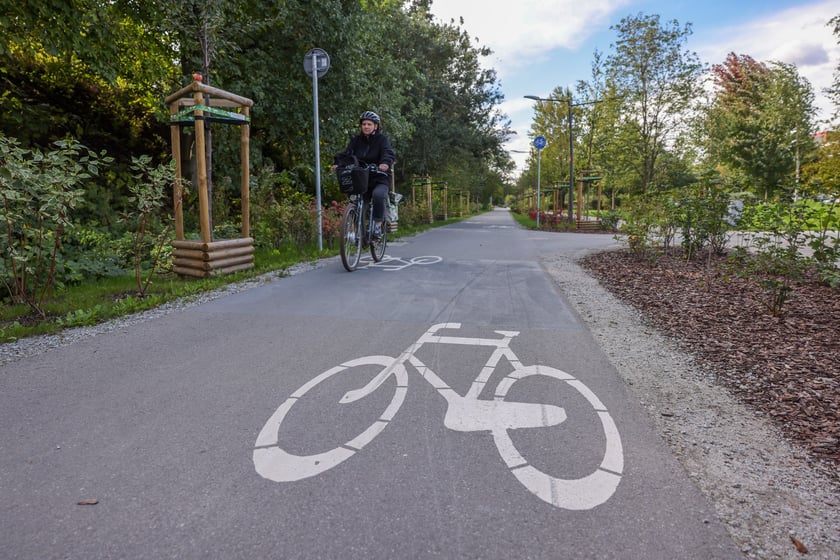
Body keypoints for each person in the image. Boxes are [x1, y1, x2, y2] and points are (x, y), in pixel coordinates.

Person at [332, 111, 395, 238]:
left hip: (379, 177)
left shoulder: (382, 140)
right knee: (357, 202)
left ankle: (377, 226)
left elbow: (388, 153)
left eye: (369, 124)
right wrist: (338, 164)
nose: (366, 126)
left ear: (375, 126)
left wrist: (385, 163)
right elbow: (347, 154)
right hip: (362, 180)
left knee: (378, 195)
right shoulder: (356, 140)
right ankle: (359, 233)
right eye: (364, 124)